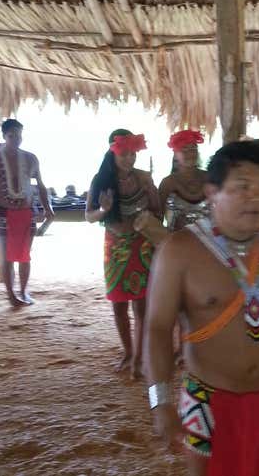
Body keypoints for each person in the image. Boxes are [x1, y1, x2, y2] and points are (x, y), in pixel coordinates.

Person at [146, 141, 259, 476]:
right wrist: (160, 402)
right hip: (207, 397)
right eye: (242, 187)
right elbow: (158, 328)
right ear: (211, 193)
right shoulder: (178, 251)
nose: (256, 197)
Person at [85, 129, 161, 379]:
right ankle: (128, 352)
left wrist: (150, 213)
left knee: (141, 306)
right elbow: (89, 216)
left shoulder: (144, 178)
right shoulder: (101, 180)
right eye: (124, 154)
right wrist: (104, 210)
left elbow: (158, 213)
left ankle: (138, 358)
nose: (130, 159)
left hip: (143, 246)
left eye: (133, 154)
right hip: (115, 248)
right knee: (118, 305)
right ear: (112, 152)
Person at [0, 118, 54, 307]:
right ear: (4, 136)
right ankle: (11, 295)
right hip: (3, 213)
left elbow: (41, 186)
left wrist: (48, 208)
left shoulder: (31, 158)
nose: (16, 139)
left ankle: (23, 291)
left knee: (25, 255)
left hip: (27, 212)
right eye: (12, 135)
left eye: (19, 135)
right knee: (6, 257)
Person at [158, 129, 209, 232]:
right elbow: (159, 218)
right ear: (175, 155)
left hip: (209, 240)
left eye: (193, 148)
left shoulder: (209, 177)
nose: (190, 153)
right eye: (184, 149)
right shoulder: (167, 183)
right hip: (176, 240)